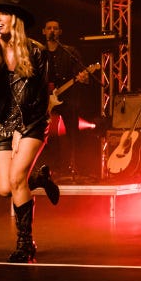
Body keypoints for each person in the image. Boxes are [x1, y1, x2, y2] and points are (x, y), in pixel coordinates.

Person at [0, 0, 60, 263]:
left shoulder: (36, 51)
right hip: (2, 124)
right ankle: (40, 179)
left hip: (32, 121)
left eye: (3, 13)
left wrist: (24, 128)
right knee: (4, 188)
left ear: (15, 19)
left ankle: (25, 244)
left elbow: (41, 95)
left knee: (16, 178)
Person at [42, 19, 93, 180]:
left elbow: (82, 75)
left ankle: (73, 167)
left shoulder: (70, 52)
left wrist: (83, 77)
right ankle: (48, 168)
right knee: (45, 136)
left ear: (60, 32)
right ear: (44, 31)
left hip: (68, 99)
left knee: (72, 134)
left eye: (55, 28)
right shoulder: (40, 52)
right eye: (49, 28)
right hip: (45, 100)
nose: (52, 31)